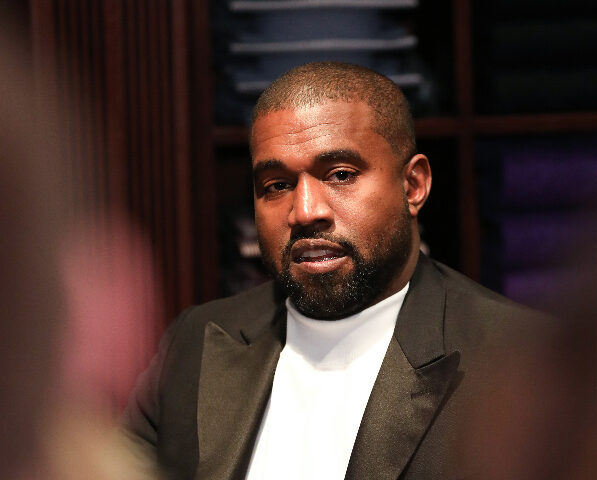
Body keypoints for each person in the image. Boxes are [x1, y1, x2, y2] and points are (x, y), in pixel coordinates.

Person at [122, 62, 544, 479]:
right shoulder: (195, 342)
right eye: (277, 186)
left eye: (340, 175)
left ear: (413, 185)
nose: (305, 212)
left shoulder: (526, 363)